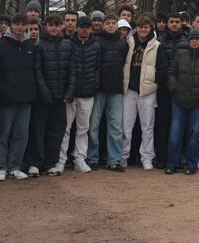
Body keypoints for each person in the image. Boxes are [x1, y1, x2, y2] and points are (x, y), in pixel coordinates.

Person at [0, 13, 38, 181]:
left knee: (21, 134)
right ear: (11, 26)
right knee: (3, 134)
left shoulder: (31, 46)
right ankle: (1, 166)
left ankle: (15, 166)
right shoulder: (0, 47)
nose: (19, 27)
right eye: (17, 24)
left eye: (22, 24)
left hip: (25, 98)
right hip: (6, 98)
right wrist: (1, 92)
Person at [165, 28, 199, 175]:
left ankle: (191, 165)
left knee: (195, 134)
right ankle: (172, 164)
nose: (194, 41)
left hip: (198, 102)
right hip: (178, 100)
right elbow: (171, 73)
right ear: (189, 41)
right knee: (175, 133)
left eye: (197, 39)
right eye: (192, 39)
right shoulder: (180, 55)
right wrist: (173, 88)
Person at [122, 14, 167, 170]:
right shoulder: (129, 43)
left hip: (147, 91)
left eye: (146, 27)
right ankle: (124, 156)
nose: (143, 30)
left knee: (147, 126)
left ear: (150, 29)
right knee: (126, 126)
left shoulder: (157, 46)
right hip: (129, 90)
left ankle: (147, 157)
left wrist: (154, 83)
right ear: (137, 28)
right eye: (140, 27)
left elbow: (162, 68)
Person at [33, 14, 72, 177]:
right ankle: (35, 162)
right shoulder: (39, 45)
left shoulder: (68, 45)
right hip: (43, 97)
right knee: (38, 130)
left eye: (57, 25)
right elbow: (38, 71)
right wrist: (44, 92)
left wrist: (69, 92)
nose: (54, 28)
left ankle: (51, 162)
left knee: (56, 131)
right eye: (50, 25)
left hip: (61, 96)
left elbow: (72, 71)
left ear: (62, 26)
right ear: (45, 26)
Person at [88, 14, 128, 172]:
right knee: (93, 126)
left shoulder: (123, 44)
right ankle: (92, 158)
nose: (111, 26)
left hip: (116, 89)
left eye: (114, 23)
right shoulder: (96, 41)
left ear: (117, 25)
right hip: (99, 90)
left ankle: (114, 160)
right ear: (103, 25)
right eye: (108, 23)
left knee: (116, 127)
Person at [62, 16, 100, 173]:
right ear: (76, 28)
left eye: (87, 26)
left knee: (83, 128)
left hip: (88, 93)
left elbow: (98, 68)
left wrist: (94, 84)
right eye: (82, 26)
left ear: (91, 28)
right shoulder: (68, 44)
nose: (84, 29)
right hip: (71, 93)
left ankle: (80, 158)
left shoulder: (96, 45)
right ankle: (61, 159)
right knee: (65, 128)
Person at [156, 11, 188, 169]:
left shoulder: (187, 41)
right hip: (163, 88)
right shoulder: (159, 41)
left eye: (177, 21)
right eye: (171, 22)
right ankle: (162, 156)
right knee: (162, 123)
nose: (174, 24)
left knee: (180, 123)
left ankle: (179, 155)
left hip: (182, 88)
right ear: (167, 24)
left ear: (181, 23)